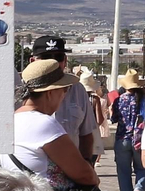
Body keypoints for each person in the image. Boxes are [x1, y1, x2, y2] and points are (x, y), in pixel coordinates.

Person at [7, 58, 102, 191]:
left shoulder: (11, 121)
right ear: (50, 92)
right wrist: (94, 177)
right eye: (63, 91)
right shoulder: (44, 124)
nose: (64, 97)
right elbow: (83, 174)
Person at [30, 36, 97, 169]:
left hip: (70, 173)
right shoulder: (21, 92)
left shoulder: (77, 90)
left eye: (58, 57)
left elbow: (86, 134)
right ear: (32, 61)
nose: (53, 63)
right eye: (46, 58)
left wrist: (86, 165)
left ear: (65, 61)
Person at [109, 68, 145, 191]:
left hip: (122, 139)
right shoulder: (143, 100)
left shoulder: (119, 100)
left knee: (123, 171)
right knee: (142, 168)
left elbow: (114, 119)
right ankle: (139, 188)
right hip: (140, 140)